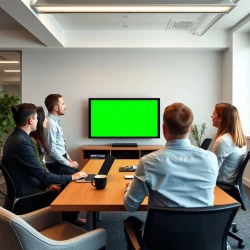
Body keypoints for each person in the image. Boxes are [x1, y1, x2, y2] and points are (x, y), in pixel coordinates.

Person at [123, 103, 219, 248]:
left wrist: (128, 189)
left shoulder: (148, 162)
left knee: (130, 221)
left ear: (163, 129)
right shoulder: (210, 158)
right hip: (201, 237)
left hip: (160, 240)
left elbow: (130, 206)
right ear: (191, 128)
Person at [211, 103, 247, 184]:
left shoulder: (223, 141)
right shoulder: (239, 139)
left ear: (221, 118)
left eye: (214, 114)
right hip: (231, 182)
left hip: (220, 184)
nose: (211, 116)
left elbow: (212, 171)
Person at [44, 94, 79, 175]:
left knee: (82, 175)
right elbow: (51, 150)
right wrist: (69, 164)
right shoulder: (51, 124)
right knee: (79, 179)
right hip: (55, 164)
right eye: (63, 104)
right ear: (56, 107)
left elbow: (60, 146)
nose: (65, 106)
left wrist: (68, 158)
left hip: (61, 161)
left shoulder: (54, 122)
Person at [30, 106, 61, 193]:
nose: (47, 120)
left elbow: (41, 164)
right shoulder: (32, 141)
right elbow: (39, 167)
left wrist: (50, 183)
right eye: (45, 117)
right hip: (35, 188)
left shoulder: (38, 139)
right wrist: (49, 183)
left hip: (42, 181)